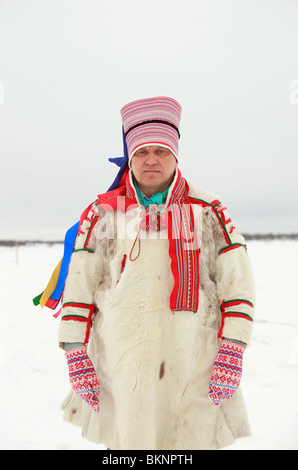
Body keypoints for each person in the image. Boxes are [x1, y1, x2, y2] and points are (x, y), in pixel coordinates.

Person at [58, 96, 255, 450]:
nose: (151, 160)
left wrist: (233, 349)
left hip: (195, 364)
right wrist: (74, 349)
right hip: (121, 366)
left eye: (161, 151)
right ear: (130, 158)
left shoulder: (207, 209)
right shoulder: (102, 214)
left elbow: (237, 282)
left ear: (176, 156)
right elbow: (79, 285)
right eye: (142, 152)